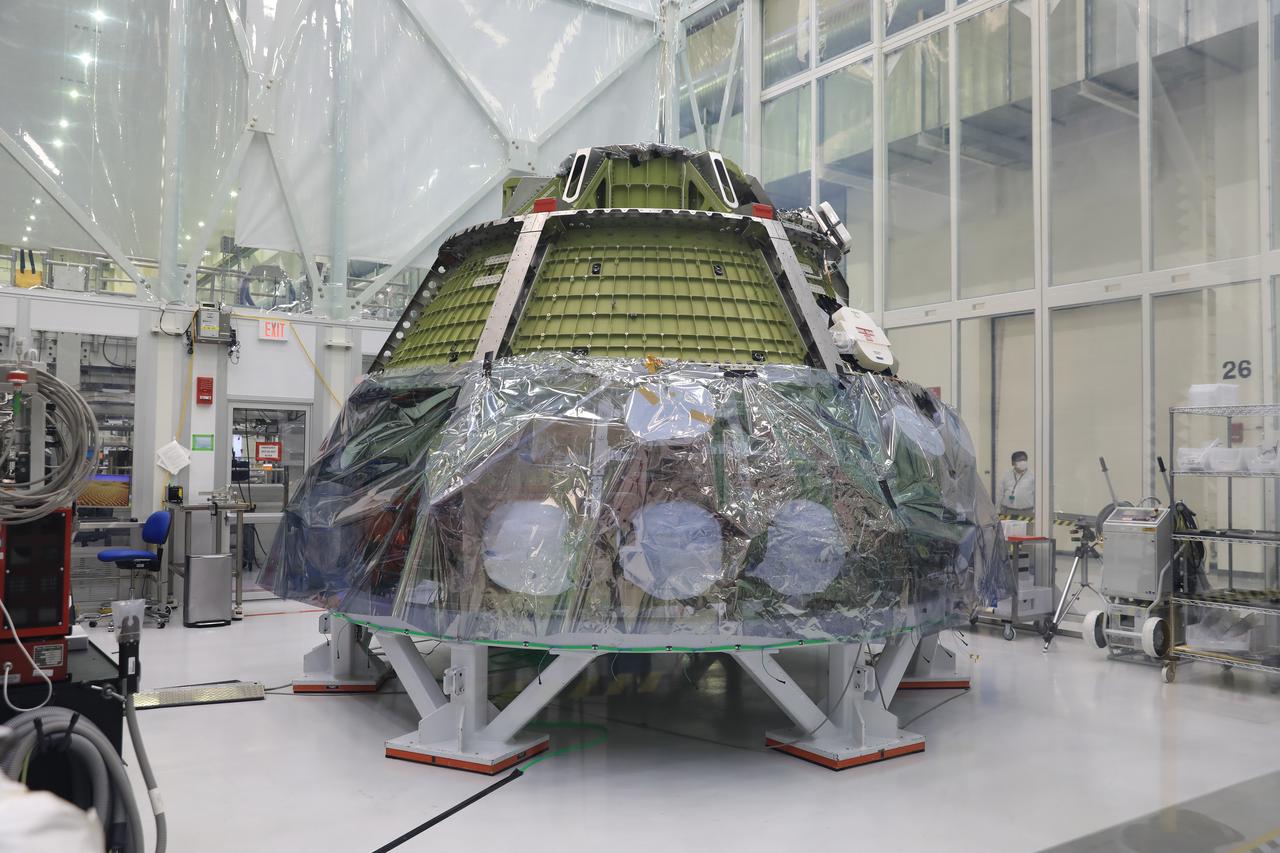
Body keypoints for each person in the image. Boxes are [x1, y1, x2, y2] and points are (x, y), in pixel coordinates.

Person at [998, 451, 1034, 517]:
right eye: (1019, 460)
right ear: (1013, 463)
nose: (1022, 462)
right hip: (1007, 511)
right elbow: (1000, 493)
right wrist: (997, 509)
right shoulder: (1006, 475)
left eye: (1024, 460)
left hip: (1027, 512)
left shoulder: (1033, 476)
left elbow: (1037, 495)